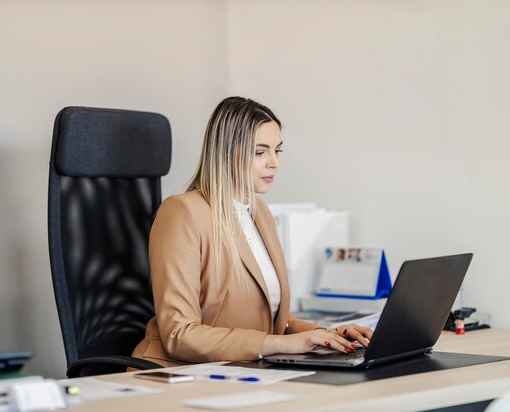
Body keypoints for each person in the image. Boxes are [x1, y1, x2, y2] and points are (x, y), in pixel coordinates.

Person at [131, 97, 372, 368]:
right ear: (225, 152)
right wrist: (283, 344)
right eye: (260, 152)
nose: (274, 163)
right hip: (178, 374)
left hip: (241, 370)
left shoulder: (261, 214)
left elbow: (270, 323)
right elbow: (179, 335)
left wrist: (327, 335)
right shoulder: (181, 212)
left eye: (277, 151)